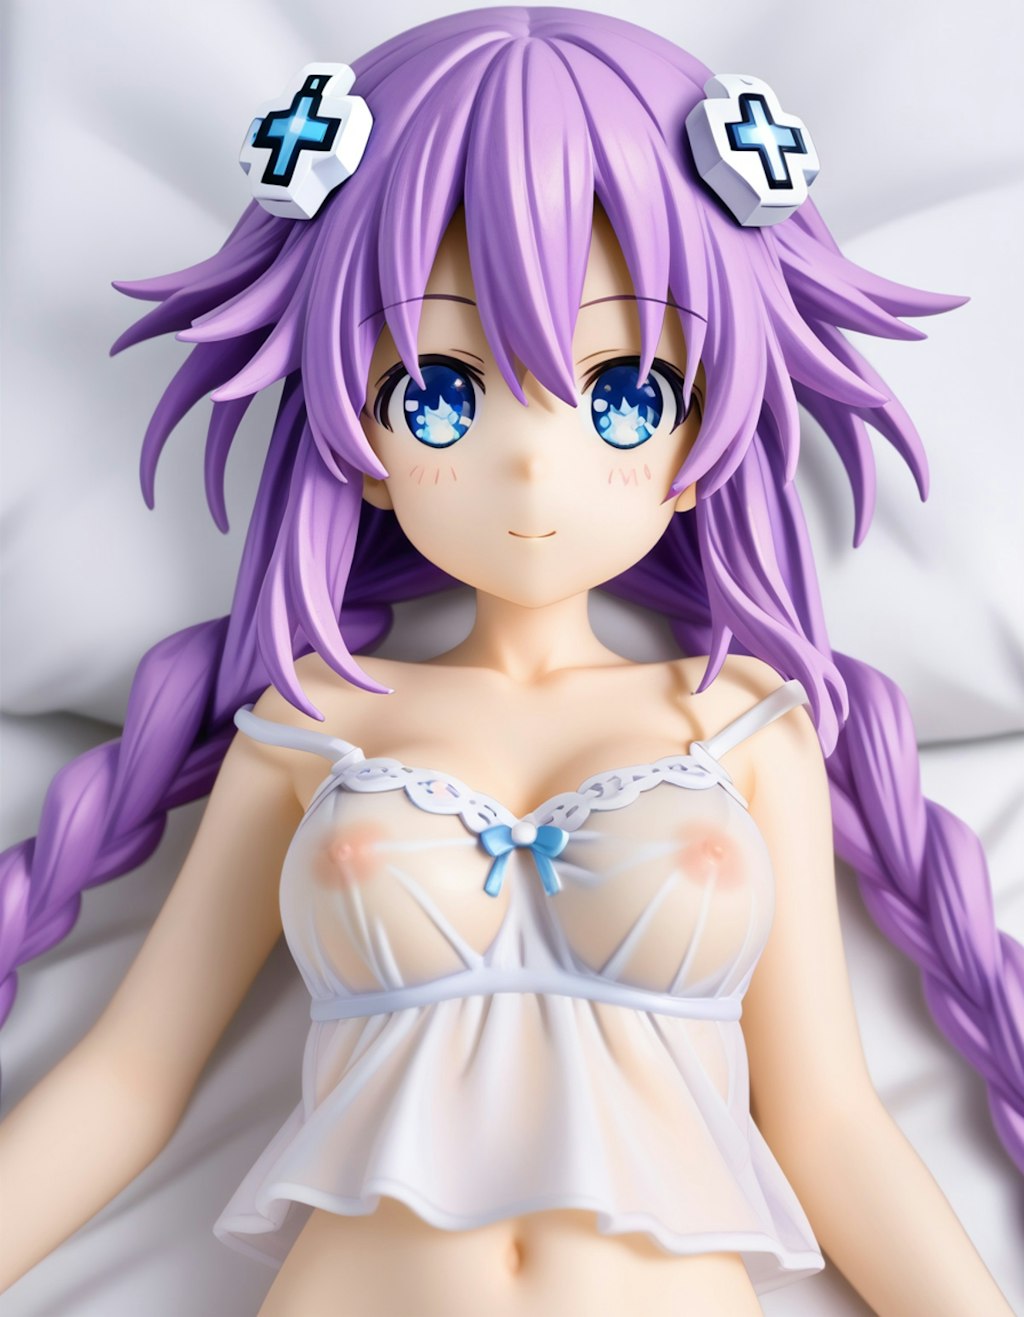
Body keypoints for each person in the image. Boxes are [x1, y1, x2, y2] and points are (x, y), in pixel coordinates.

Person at [0, 8, 1018, 1314]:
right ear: (354, 430)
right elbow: (127, 1079)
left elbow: (831, 1121)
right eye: (438, 394)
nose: (534, 462)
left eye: (626, 396)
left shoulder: (745, 726)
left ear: (707, 428)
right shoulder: (310, 721)